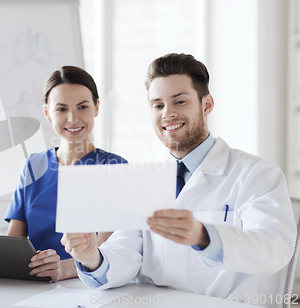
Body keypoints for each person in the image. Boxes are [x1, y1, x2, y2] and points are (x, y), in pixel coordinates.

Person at [61, 53, 296, 307]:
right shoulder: (145, 180)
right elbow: (126, 251)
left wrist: (204, 236)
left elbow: (274, 249)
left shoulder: (257, 174)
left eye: (179, 102)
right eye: (158, 105)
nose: (168, 114)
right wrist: (92, 258)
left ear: (206, 105)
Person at [0, 66, 127, 282]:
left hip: (88, 286)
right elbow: (13, 241)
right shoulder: (33, 166)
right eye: (61, 109)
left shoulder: (116, 168)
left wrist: (64, 269)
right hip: (34, 284)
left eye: (82, 107)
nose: (73, 118)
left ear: (96, 107)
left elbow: (109, 251)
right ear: (47, 113)